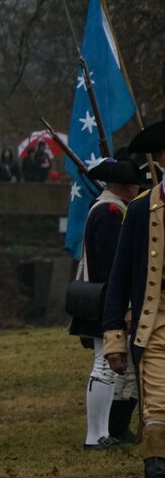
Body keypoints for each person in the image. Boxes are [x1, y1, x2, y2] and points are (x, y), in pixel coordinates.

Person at [102, 119, 165, 478]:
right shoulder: (141, 211)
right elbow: (120, 277)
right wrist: (112, 338)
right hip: (155, 326)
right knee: (158, 408)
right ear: (160, 161)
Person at [74, 159, 143, 450]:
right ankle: (95, 435)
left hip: (108, 299)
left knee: (115, 368)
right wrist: (124, 304)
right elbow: (112, 266)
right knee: (103, 366)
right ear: (126, 187)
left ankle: (108, 432)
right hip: (105, 300)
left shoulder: (113, 209)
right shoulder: (109, 212)